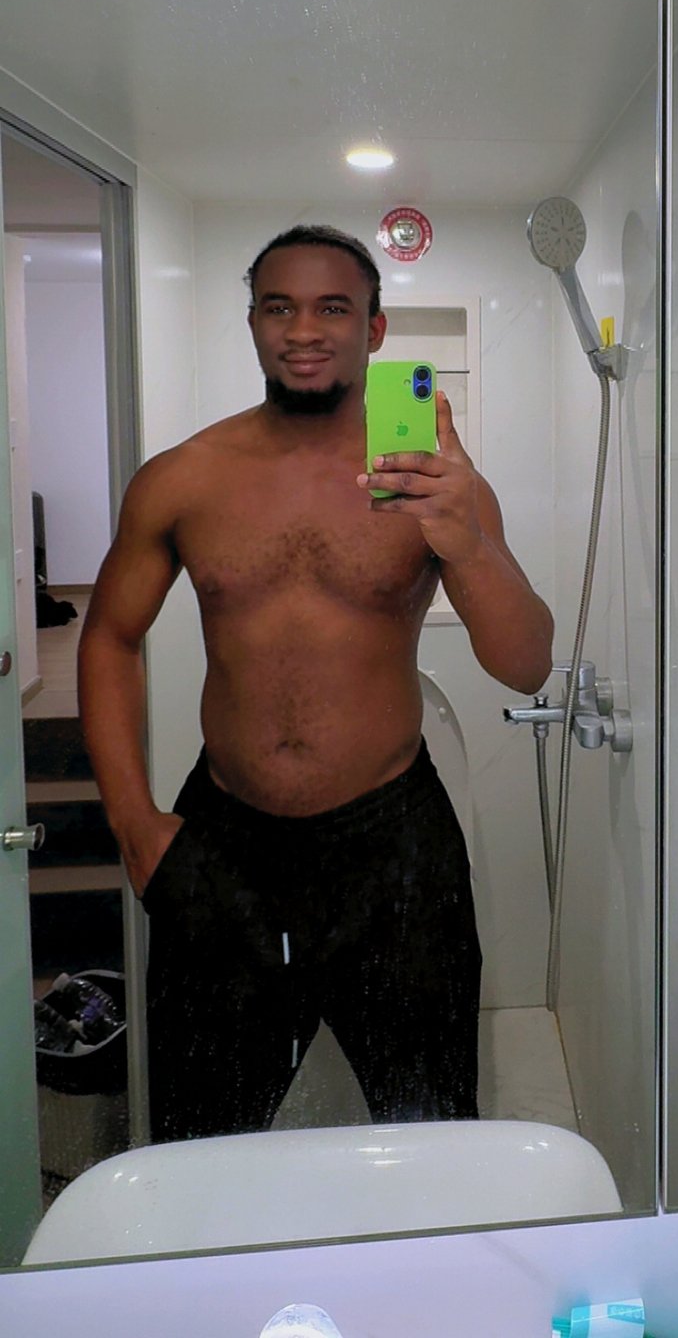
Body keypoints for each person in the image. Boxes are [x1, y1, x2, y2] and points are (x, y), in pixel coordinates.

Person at [77, 223, 553, 1142]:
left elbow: (524, 662)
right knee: (202, 1129)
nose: (303, 329)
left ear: (374, 330)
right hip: (226, 837)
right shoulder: (182, 479)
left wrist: (465, 543)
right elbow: (109, 638)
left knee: (429, 1121)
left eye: (333, 307)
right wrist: (134, 824)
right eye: (278, 307)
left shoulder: (436, 483)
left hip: (393, 840)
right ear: (253, 324)